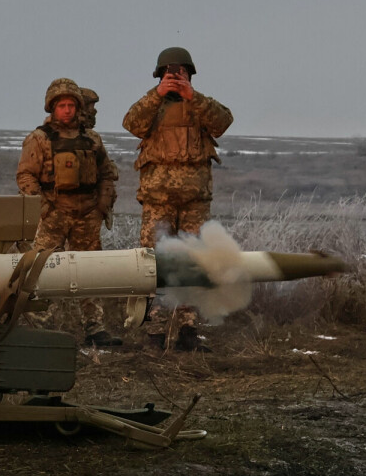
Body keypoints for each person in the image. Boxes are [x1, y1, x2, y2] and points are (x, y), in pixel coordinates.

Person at [122, 47, 233, 351]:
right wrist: (157, 94)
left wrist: (192, 96)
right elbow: (131, 123)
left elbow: (223, 122)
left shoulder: (200, 106)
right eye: (171, 73)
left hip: (194, 202)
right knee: (154, 266)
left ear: (190, 74)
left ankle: (188, 331)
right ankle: (155, 333)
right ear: (160, 75)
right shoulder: (152, 106)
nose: (176, 77)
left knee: (193, 263)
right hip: (158, 200)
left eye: (181, 72)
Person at [16, 78, 121, 347]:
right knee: (42, 269)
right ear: (52, 107)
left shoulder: (92, 139)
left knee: (90, 271)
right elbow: (26, 176)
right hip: (53, 214)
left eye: (71, 105)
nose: (67, 110)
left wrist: (102, 205)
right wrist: (43, 208)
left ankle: (94, 327)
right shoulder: (38, 139)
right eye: (61, 105)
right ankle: (40, 326)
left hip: (87, 215)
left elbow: (107, 173)